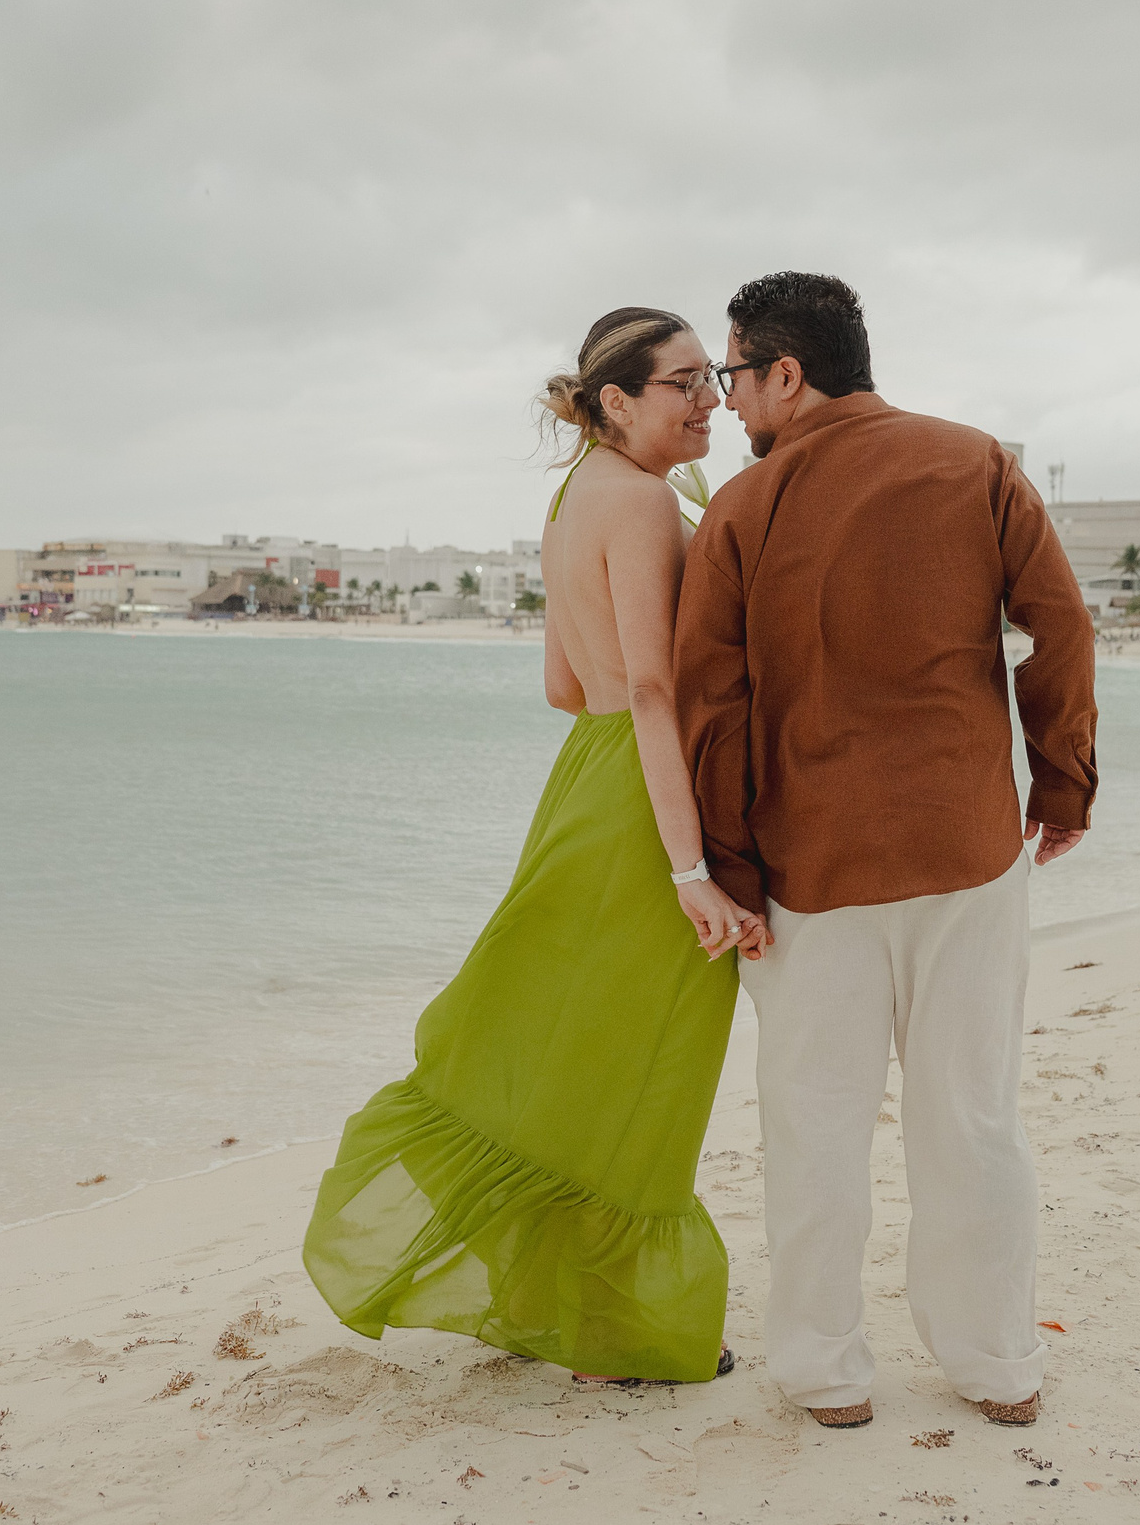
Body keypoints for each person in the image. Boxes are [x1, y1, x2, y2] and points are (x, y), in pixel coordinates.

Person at [302, 307, 770, 1385]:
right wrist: (690, 866)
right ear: (616, 400)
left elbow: (566, 686)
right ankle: (620, 1325)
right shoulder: (645, 501)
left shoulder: (571, 498)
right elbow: (652, 686)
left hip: (586, 789)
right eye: (685, 383)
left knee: (571, 1047)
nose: (709, 400)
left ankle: (563, 1299)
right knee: (646, 1063)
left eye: (714, 380)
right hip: (651, 811)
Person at [675, 271, 1097, 1430]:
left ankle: (825, 1376)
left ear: (786, 374)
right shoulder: (973, 461)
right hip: (966, 849)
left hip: (810, 873)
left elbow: (709, 703)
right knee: (971, 1113)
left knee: (814, 1124)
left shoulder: (741, 513)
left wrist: (730, 872)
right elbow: (1057, 624)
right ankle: (997, 1364)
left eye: (733, 376)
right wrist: (1061, 782)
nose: (731, 401)